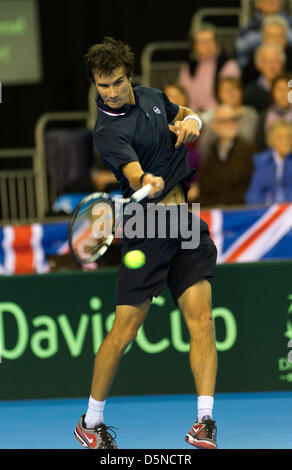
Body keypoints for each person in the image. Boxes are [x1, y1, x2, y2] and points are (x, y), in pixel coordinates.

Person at [73, 37, 218, 450]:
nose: (111, 93)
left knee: (202, 320)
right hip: (146, 225)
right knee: (124, 331)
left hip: (185, 221)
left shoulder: (154, 97)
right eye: (102, 86)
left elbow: (185, 114)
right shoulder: (107, 131)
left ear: (129, 77)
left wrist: (194, 122)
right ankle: (91, 420)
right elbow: (135, 174)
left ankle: (204, 421)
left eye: (117, 83)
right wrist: (144, 181)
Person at [194, 105, 256, 207]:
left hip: (240, 211)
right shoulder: (209, 155)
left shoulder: (249, 151)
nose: (230, 124)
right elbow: (204, 188)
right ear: (214, 125)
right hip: (214, 211)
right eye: (224, 121)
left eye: (233, 120)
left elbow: (251, 188)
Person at [179, 23, 241, 117]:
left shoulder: (228, 64)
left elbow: (231, 97)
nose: (207, 45)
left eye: (209, 40)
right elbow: (183, 93)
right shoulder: (187, 66)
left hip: (219, 114)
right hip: (191, 114)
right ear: (194, 46)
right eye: (202, 42)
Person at [198, 77, 259, 154]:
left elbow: (247, 139)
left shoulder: (250, 114)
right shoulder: (213, 114)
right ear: (218, 95)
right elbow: (204, 146)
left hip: (242, 156)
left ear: (241, 92)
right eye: (226, 90)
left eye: (234, 89)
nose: (230, 93)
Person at [246, 120, 292, 204]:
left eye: (288, 136)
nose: (285, 141)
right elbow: (254, 194)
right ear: (271, 140)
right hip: (268, 209)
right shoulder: (261, 161)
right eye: (280, 137)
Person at [236, 0, 292, 68]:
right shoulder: (249, 29)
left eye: (279, 35)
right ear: (257, 3)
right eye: (271, 35)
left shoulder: (290, 23)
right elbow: (241, 58)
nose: (272, 1)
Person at [242, 14, 292, 84]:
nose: (275, 40)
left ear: (286, 38)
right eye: (271, 36)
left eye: (279, 36)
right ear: (263, 38)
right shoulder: (254, 58)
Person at [244, 43, 286, 112]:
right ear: (258, 65)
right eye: (267, 62)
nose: (272, 66)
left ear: (282, 63)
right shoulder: (249, 93)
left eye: (275, 61)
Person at [255, 73, 292, 150]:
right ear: (272, 92)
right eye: (280, 89)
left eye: (288, 89)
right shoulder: (265, 115)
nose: (284, 94)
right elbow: (259, 143)